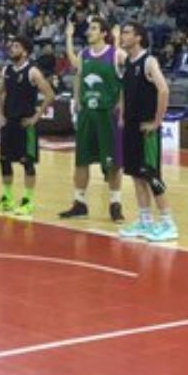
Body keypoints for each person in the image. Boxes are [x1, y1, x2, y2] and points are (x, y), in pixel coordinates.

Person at [60, 17, 124, 222]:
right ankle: (79, 203)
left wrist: (122, 102)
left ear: (104, 33)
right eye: (89, 28)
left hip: (108, 115)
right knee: (81, 160)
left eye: (94, 28)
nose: (89, 31)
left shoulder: (116, 54)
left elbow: (129, 76)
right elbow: (74, 66)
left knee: (113, 163)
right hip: (87, 114)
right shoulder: (84, 54)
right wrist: (69, 37)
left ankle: (115, 204)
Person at [116, 23, 176, 242]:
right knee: (136, 176)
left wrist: (157, 122)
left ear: (139, 37)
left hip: (146, 128)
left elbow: (164, 90)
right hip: (131, 127)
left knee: (151, 176)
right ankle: (145, 221)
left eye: (127, 32)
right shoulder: (128, 64)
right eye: (122, 33)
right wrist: (122, 115)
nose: (123, 36)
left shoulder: (149, 61)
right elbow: (124, 91)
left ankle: (169, 224)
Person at [0, 36, 56, 219]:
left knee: (27, 163)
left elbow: (50, 95)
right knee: (4, 161)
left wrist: (36, 117)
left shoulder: (32, 71)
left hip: (25, 124)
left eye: (16, 46)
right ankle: (7, 198)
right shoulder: (7, 70)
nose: (12, 48)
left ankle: (28, 201)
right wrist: (0, 115)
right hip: (8, 123)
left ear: (25, 51)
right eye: (11, 46)